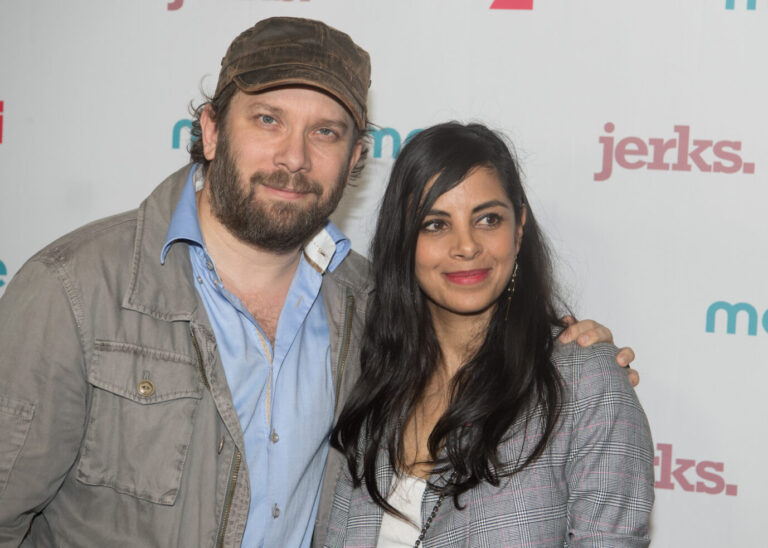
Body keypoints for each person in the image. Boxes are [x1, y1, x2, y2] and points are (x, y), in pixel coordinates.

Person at [0, 18, 636, 548]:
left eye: (325, 132)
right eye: (268, 120)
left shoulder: (366, 312)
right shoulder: (74, 291)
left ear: (356, 157)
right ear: (212, 130)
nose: (294, 157)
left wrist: (574, 356)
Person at [323, 123, 654, 547]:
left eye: (487, 219)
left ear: (519, 227)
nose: (466, 246)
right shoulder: (370, 374)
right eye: (435, 224)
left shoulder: (583, 381)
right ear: (403, 240)